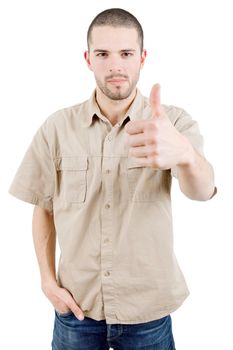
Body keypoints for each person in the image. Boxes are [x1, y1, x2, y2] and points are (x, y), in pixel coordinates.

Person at [9, 7, 217, 350]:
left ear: (142, 58)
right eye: (103, 54)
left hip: (148, 316)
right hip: (77, 312)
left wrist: (185, 154)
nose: (115, 66)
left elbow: (203, 190)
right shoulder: (56, 128)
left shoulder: (171, 123)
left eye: (126, 53)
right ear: (88, 58)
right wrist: (47, 282)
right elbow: (44, 207)